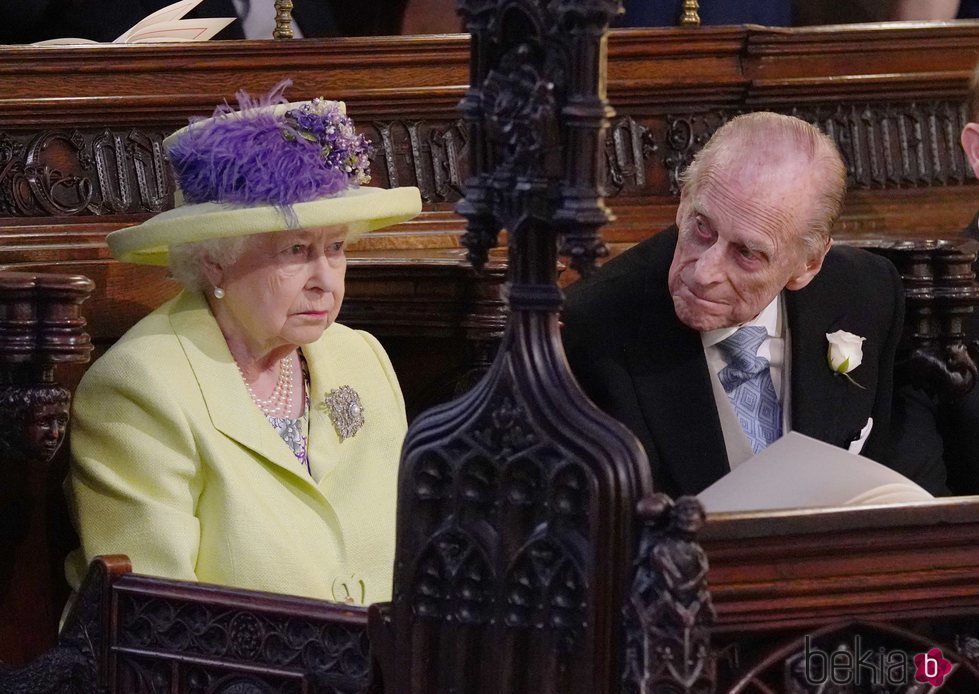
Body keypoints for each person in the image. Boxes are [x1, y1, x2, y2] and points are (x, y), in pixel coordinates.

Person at [63, 80, 422, 605]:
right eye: (297, 250)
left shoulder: (360, 358)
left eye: (337, 247)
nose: (326, 278)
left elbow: (418, 546)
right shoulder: (139, 388)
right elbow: (153, 618)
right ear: (214, 260)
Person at [561, 112, 921, 498]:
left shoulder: (867, 293)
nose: (703, 273)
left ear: (808, 264)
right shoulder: (593, 327)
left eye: (747, 253)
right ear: (684, 202)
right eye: (702, 227)